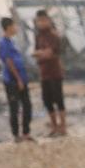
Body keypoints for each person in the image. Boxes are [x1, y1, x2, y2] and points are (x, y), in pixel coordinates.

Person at [0, 17, 33, 142]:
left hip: (21, 78)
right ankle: (16, 135)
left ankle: (26, 132)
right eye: (14, 26)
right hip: (12, 80)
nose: (16, 28)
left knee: (27, 105)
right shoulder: (3, 43)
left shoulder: (12, 42)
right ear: (8, 27)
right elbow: (9, 62)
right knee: (14, 107)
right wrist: (18, 79)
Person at [32, 9, 67, 137]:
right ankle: (54, 126)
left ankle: (63, 126)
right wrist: (41, 53)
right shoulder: (38, 36)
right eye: (38, 21)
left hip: (55, 72)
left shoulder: (53, 35)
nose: (40, 23)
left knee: (59, 100)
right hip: (43, 73)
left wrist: (40, 53)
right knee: (47, 101)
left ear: (48, 20)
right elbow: (36, 53)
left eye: (43, 20)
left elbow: (49, 53)